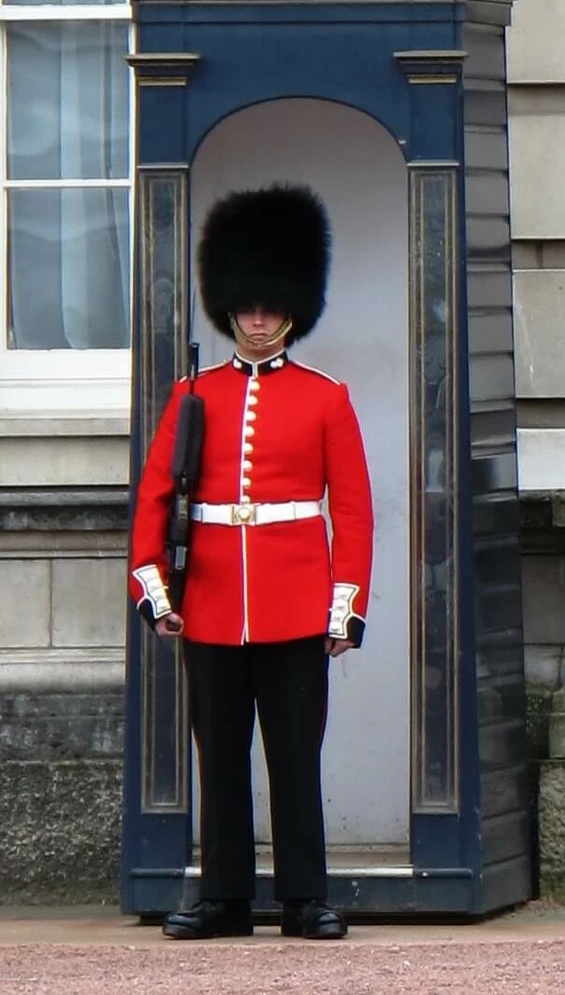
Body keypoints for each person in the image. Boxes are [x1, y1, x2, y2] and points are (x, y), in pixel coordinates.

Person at [128, 184, 374, 941]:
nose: (258, 316)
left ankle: (304, 897)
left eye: (270, 304)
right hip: (209, 602)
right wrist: (155, 589)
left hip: (297, 604)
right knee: (221, 759)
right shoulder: (193, 394)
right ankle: (227, 897)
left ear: (291, 308)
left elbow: (354, 510)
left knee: (295, 761)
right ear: (229, 306)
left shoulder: (326, 398)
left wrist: (344, 607)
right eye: (248, 304)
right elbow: (154, 495)